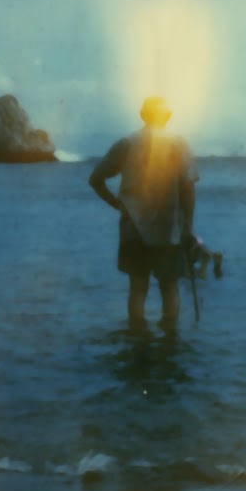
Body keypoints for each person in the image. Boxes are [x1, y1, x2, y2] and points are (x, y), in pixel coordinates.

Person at [89, 96, 197, 331]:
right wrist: (188, 226)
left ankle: (137, 340)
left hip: (133, 229)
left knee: (138, 289)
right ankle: (170, 341)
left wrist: (118, 204)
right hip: (169, 229)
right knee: (169, 287)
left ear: (142, 115)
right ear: (168, 117)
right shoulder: (179, 144)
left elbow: (95, 179)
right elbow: (188, 189)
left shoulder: (127, 144)